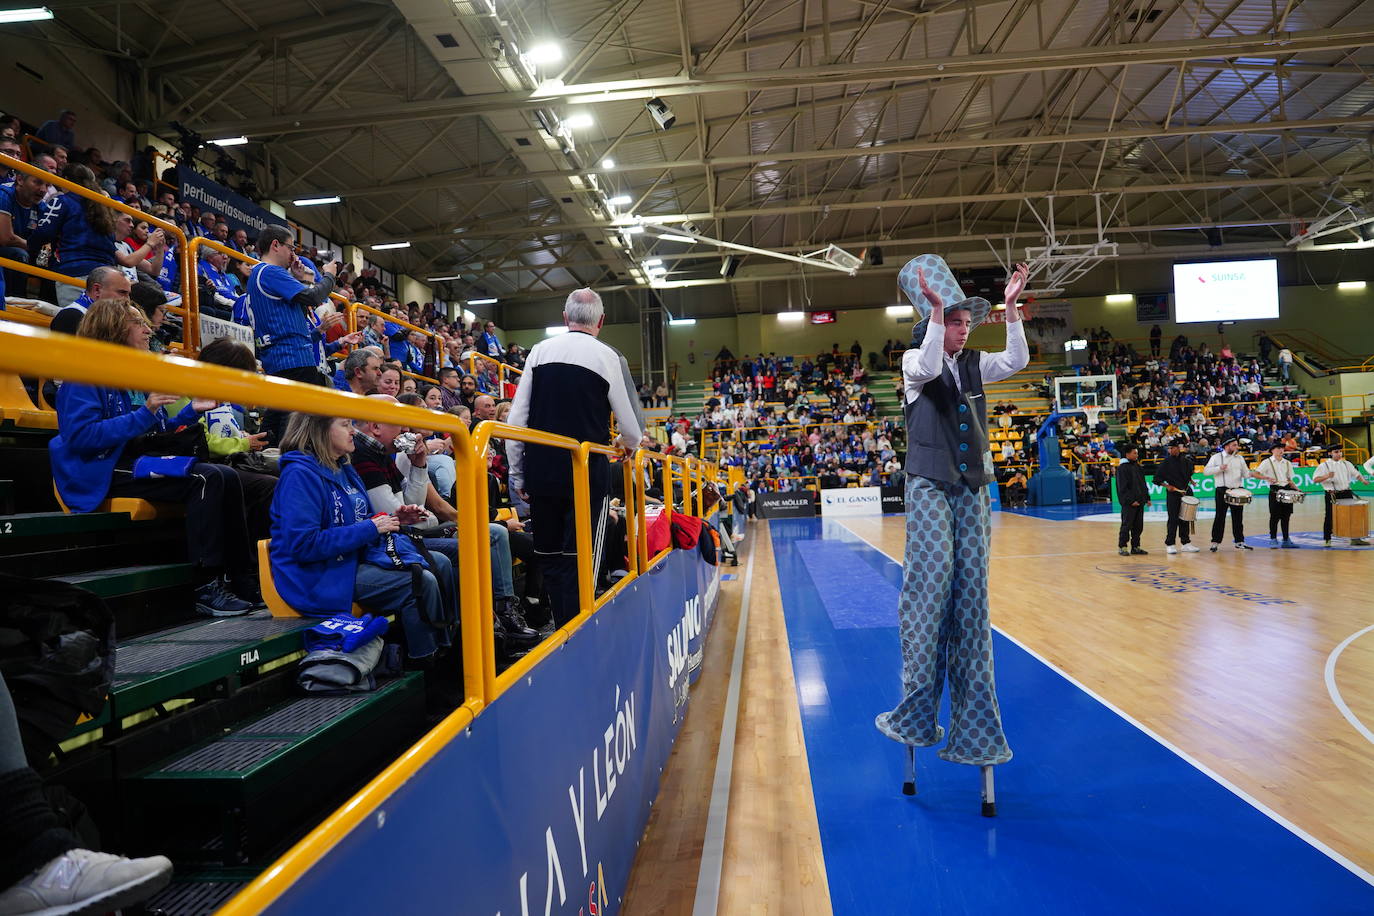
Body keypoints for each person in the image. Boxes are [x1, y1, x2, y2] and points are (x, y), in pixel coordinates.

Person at [873, 254, 1029, 802]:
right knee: (932, 582)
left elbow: (1016, 358)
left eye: (967, 321)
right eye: (957, 321)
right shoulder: (917, 361)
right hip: (930, 483)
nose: (965, 329)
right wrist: (938, 313)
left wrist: (1010, 310)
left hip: (972, 486)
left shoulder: (975, 364)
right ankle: (915, 713)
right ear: (935, 324)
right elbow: (928, 363)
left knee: (971, 600)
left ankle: (975, 731)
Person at [50, 298, 258, 614]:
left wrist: (189, 412)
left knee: (227, 476)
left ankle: (242, 577)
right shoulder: (83, 375)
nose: (149, 330)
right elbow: (82, 438)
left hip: (136, 458)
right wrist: (147, 411)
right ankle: (204, 586)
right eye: (139, 323)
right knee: (207, 477)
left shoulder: (134, 373)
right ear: (113, 328)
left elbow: (155, 432)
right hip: (102, 468)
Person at [268, 411, 455, 664]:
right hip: (318, 573)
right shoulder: (299, 475)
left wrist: (396, 519)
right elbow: (304, 545)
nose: (353, 431)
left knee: (440, 563)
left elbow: (361, 517)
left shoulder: (343, 468)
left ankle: (448, 647)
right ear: (319, 429)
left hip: (354, 558)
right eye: (345, 425)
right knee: (419, 582)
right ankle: (426, 663)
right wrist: (371, 527)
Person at [505, 288, 643, 627]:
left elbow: (515, 422)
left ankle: (560, 624)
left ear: (566, 319)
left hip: (542, 471)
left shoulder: (538, 351)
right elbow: (632, 429)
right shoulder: (608, 356)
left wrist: (519, 476)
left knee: (549, 555)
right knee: (582, 556)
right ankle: (581, 626)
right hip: (585, 473)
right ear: (601, 321)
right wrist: (628, 444)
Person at [244, 225, 339, 443]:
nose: (294, 254)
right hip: (293, 357)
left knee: (277, 418)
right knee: (299, 425)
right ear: (275, 245)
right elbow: (314, 297)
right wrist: (329, 276)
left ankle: (267, 459)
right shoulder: (270, 272)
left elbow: (297, 304)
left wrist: (301, 280)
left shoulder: (260, 274)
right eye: (290, 247)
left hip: (278, 356)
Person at [27, 164, 117, 308]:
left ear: (66, 180)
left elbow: (43, 234)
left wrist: (29, 250)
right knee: (102, 326)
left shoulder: (63, 200)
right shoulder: (104, 206)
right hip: (108, 275)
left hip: (75, 272)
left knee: (78, 326)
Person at [1314, 444, 1371, 547]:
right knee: (1329, 516)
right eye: (1336, 452)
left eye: (1340, 451)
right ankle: (1327, 539)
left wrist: (1363, 481)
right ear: (1330, 453)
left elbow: (1356, 474)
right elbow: (1315, 479)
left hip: (1346, 492)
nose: (1339, 453)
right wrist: (1327, 476)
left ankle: (1355, 538)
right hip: (1332, 494)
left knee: (1352, 515)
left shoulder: (1346, 463)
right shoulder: (1324, 466)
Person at [1204, 437, 1253, 551]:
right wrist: (1219, 468)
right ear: (1227, 446)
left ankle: (1239, 541)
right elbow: (1206, 471)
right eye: (1234, 445)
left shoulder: (1239, 458)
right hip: (1222, 490)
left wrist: (1255, 474)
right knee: (1220, 517)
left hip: (1237, 490)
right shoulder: (1216, 457)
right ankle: (1215, 542)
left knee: (1238, 518)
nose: (1237, 447)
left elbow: (1246, 474)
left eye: (1237, 445)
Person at [1153, 437, 1199, 554]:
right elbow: (1156, 479)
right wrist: (1167, 486)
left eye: (1172, 448)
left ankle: (1186, 543)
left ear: (1178, 448)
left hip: (1186, 492)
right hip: (1173, 494)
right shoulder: (1166, 463)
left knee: (1185, 519)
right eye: (1169, 448)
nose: (1170, 450)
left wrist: (1191, 481)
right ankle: (1170, 544)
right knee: (1173, 519)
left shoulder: (1187, 461)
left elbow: (1188, 474)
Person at [1253, 442, 1299, 548]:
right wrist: (1266, 478)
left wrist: (1297, 489)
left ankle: (1286, 539)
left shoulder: (1287, 463)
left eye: (1282, 448)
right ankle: (1273, 538)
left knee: (1286, 516)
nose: (1281, 450)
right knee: (1274, 516)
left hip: (1287, 490)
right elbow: (1255, 473)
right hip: (1275, 490)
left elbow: (1289, 480)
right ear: (1272, 450)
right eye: (1278, 448)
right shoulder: (1267, 462)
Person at [1115, 445, 1148, 556]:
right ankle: (1123, 547)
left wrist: (1147, 497)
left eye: (1137, 453)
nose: (1136, 455)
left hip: (1140, 502)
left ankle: (1136, 547)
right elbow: (1122, 488)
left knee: (1138, 526)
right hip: (1129, 504)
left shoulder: (1138, 467)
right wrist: (1130, 501)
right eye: (1134, 453)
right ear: (1127, 454)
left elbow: (1143, 484)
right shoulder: (1122, 468)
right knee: (1126, 525)